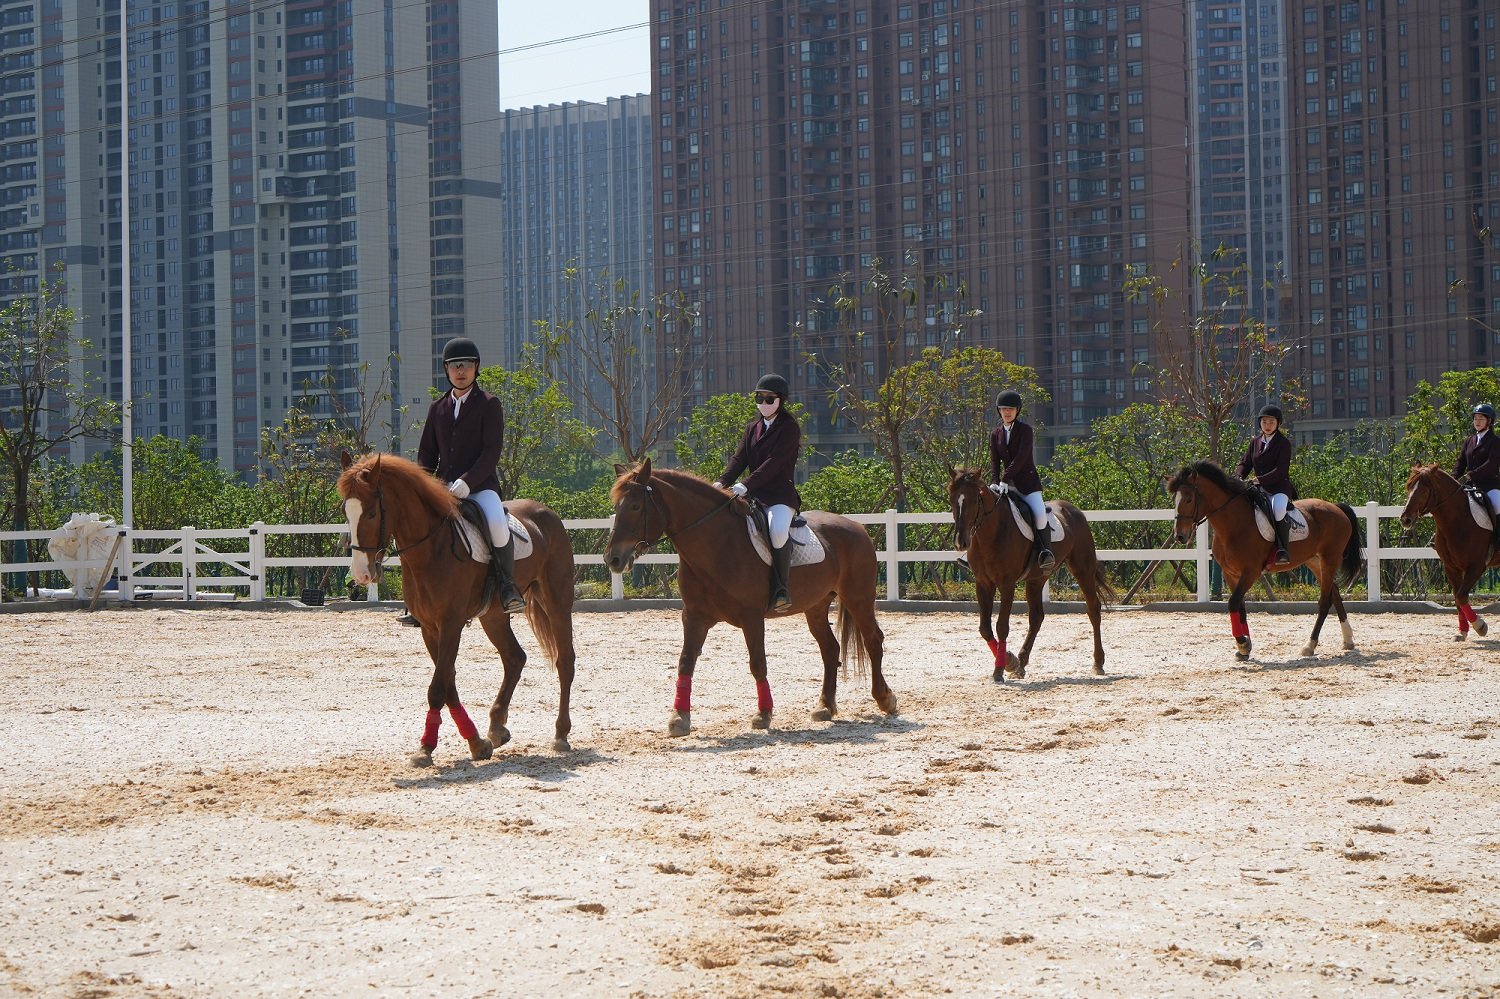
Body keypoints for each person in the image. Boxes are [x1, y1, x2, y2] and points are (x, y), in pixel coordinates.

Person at [415, 336, 525, 614]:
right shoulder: (436, 408)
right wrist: (423, 485)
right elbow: (427, 453)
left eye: (466, 365)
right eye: (454, 366)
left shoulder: (489, 404)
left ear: (476, 368)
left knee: (498, 525)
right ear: (446, 370)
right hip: (442, 487)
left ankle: (507, 586)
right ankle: (417, 596)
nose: (460, 370)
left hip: (480, 486)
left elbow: (491, 452)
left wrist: (467, 481)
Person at [714, 373, 802, 612]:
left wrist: (746, 484)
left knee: (777, 531)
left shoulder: (789, 428)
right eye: (759, 398)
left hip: (779, 497)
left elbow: (774, 462)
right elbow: (739, 459)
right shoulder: (752, 428)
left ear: (780, 400)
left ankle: (781, 589)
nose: (763, 403)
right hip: (753, 497)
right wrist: (721, 482)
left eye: (769, 398)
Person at [989, 389, 1054, 572]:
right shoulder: (995, 434)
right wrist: (994, 480)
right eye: (1003, 409)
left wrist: (1004, 478)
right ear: (999, 411)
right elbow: (994, 460)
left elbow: (1021, 458)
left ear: (1017, 410)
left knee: (1040, 514)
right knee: (985, 511)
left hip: (1027, 485)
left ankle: (1045, 553)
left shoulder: (1025, 431)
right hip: (1004, 487)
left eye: (1011, 409)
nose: (1007, 412)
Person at [1234, 403, 1299, 565]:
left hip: (1279, 488)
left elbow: (1281, 470)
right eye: (1264, 422)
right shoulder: (1255, 442)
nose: (1267, 426)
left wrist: (1259, 479)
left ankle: (1282, 549)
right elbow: (1245, 463)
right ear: (1260, 424)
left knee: (1277, 511)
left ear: (1278, 423)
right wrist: (1238, 476)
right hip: (1259, 488)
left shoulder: (1283, 443)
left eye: (1271, 422)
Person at [1454, 403, 1500, 516]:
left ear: (1489, 421)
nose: (1477, 421)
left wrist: (1470, 475)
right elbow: (1461, 463)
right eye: (1475, 418)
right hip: (1470, 486)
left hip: (1489, 485)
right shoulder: (1469, 441)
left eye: (1481, 418)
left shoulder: (1495, 441)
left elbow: (1491, 464)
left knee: (1497, 504)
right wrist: (1452, 479)